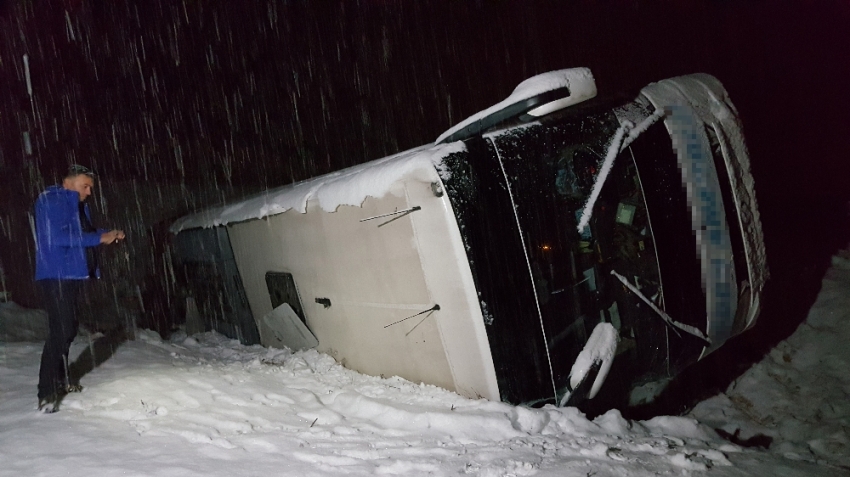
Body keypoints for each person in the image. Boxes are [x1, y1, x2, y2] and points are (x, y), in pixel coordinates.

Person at [34, 164, 125, 413]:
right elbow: (59, 238)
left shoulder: (77, 205)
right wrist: (98, 239)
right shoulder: (52, 200)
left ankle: (62, 381)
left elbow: (82, 232)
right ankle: (46, 393)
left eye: (90, 188)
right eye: (85, 186)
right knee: (61, 329)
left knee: (69, 328)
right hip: (56, 275)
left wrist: (106, 233)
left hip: (72, 275)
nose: (88, 192)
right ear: (67, 182)